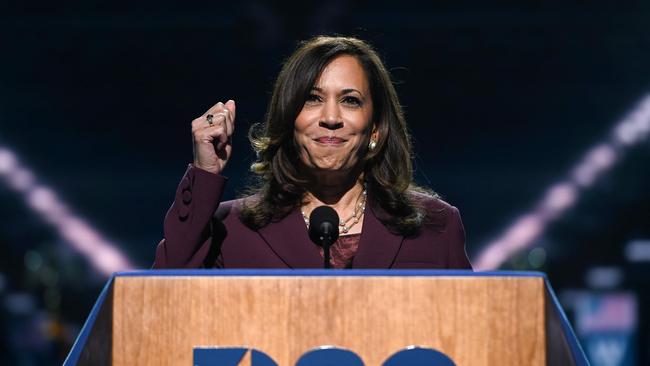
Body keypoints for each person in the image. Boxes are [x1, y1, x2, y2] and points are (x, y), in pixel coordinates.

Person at [153, 36, 472, 269]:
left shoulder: (436, 227)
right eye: (312, 98)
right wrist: (204, 173)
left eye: (350, 100)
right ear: (289, 121)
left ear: (375, 129)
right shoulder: (230, 229)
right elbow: (157, 306)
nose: (331, 118)